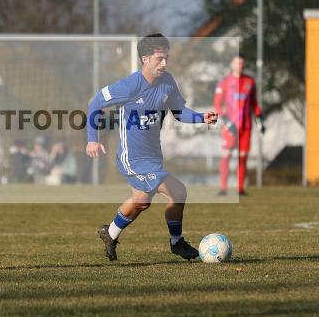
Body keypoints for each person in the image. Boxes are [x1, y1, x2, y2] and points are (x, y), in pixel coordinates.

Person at [86, 34, 217, 261]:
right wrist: (92, 139)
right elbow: (96, 101)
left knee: (141, 201)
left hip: (153, 156)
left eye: (166, 58)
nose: (164, 63)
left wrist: (201, 117)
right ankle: (176, 242)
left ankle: (110, 233)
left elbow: (179, 112)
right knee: (178, 192)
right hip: (132, 158)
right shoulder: (130, 85)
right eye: (159, 59)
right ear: (145, 59)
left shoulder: (167, 82)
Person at [214, 54, 264, 196]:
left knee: (243, 157)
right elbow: (217, 105)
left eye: (242, 63)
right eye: (237, 63)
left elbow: (254, 103)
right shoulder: (224, 82)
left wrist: (260, 120)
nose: (239, 66)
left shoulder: (250, 82)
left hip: (246, 126)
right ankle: (223, 188)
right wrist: (226, 121)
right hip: (230, 126)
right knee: (226, 156)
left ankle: (240, 189)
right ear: (232, 64)